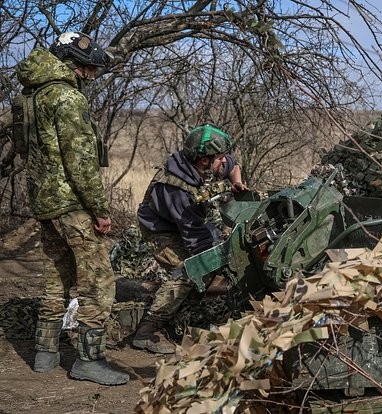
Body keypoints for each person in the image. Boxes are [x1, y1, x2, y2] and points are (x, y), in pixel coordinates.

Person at [15, 32, 129, 385]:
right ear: (73, 63)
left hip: (43, 201)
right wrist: (99, 209)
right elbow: (80, 162)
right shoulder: (66, 96)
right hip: (70, 203)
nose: (92, 74)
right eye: (89, 67)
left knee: (57, 275)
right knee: (98, 280)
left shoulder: (30, 95)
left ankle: (45, 352)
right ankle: (89, 360)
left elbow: (25, 149)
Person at [132, 124, 248, 354]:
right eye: (219, 159)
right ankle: (147, 331)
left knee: (215, 255)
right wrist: (220, 267)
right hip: (160, 232)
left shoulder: (202, 162)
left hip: (185, 224)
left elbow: (233, 165)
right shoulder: (178, 191)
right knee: (187, 272)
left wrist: (236, 181)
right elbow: (199, 245)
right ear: (204, 161)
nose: (223, 163)